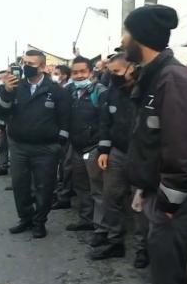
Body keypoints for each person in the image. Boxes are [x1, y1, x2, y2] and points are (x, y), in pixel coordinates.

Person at [123, 4, 187, 284]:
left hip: (171, 201)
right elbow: (150, 140)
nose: (122, 40)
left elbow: (182, 146)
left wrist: (169, 204)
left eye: (126, 33)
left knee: (168, 277)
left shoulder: (173, 79)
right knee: (161, 271)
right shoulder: (151, 75)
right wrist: (144, 189)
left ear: (140, 37)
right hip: (155, 193)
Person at [0, 49, 70, 239]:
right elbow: (2, 112)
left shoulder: (56, 91)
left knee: (44, 188)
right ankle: (25, 219)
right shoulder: (15, 87)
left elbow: (65, 119)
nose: (26, 67)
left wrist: (58, 144)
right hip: (19, 147)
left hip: (46, 149)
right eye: (24, 62)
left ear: (43, 67)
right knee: (20, 186)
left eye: (31, 64)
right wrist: (6, 93)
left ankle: (39, 222)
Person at [90, 52, 149, 268]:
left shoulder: (146, 92)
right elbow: (105, 123)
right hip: (117, 152)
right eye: (110, 71)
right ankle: (115, 241)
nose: (112, 76)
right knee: (110, 196)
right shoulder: (110, 94)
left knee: (139, 203)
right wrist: (104, 150)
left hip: (142, 155)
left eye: (116, 71)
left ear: (131, 69)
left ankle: (143, 248)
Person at [64, 56, 108, 252]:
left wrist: (102, 147)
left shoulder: (99, 92)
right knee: (81, 185)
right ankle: (86, 219)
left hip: (94, 148)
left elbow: (107, 121)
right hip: (76, 146)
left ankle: (101, 229)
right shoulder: (68, 92)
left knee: (97, 189)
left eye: (83, 72)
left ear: (90, 72)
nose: (79, 75)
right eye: (75, 72)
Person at [52, 64, 74, 210]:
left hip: (71, 133)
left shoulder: (69, 89)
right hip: (62, 132)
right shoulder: (60, 89)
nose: (53, 75)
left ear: (64, 75)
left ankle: (65, 195)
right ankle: (61, 192)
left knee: (67, 165)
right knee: (63, 165)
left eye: (56, 73)